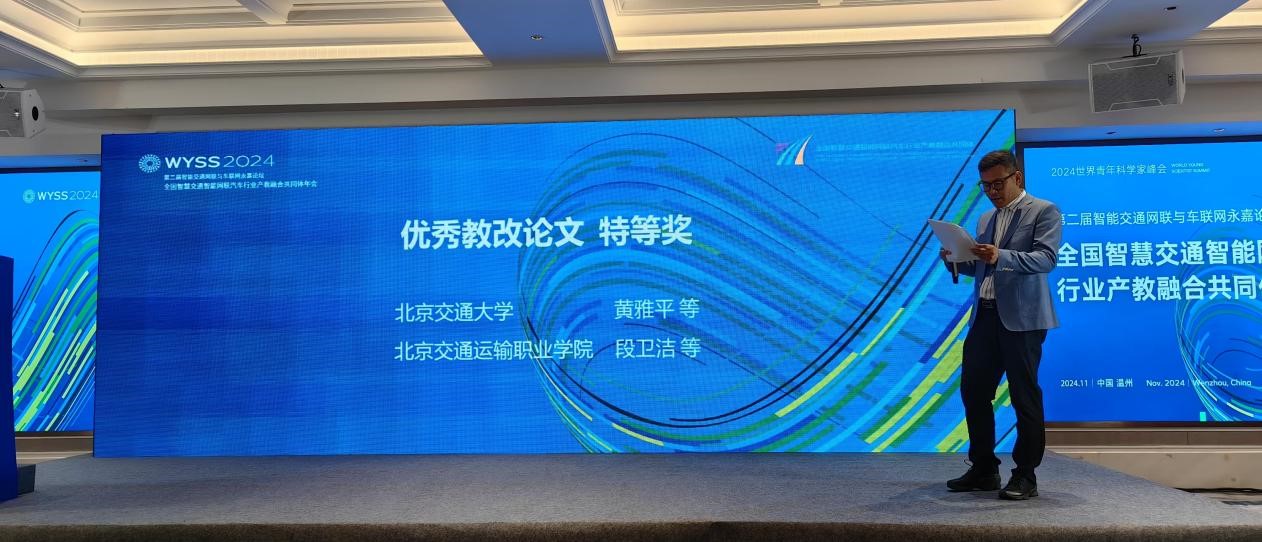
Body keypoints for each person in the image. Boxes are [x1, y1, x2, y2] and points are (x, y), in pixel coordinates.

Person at [939, 149, 1061, 500]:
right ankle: (984, 469)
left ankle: (1025, 475)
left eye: (998, 184)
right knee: (973, 391)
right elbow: (981, 268)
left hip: (1022, 320)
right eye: (986, 186)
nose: (992, 191)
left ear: (1016, 178)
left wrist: (1000, 255)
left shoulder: (1044, 211)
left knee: (1024, 395)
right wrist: (955, 259)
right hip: (985, 315)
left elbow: (1046, 259)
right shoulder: (984, 219)